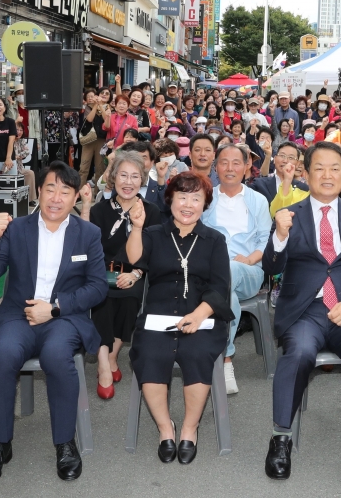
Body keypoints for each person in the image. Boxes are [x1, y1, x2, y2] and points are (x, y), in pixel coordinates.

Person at [0, 162, 108, 485]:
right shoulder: (16, 228)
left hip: (62, 318)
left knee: (56, 357)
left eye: (65, 191)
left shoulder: (88, 233)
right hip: (17, 317)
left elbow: (98, 286)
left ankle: (65, 443)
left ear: (75, 196)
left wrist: (57, 308)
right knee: (3, 356)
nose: (56, 198)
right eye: (50, 188)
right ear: (39, 191)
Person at [262, 142, 341, 486]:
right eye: (319, 168)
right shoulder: (291, 214)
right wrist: (280, 236)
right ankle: (280, 437)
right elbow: (271, 268)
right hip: (306, 309)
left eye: (335, 168)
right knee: (298, 352)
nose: (327, 175)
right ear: (305, 173)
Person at [125, 172, 233, 465]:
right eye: (182, 196)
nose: (188, 204)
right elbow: (135, 260)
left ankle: (189, 427)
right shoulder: (155, 233)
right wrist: (136, 227)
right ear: (170, 199)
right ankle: (165, 428)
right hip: (158, 315)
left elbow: (220, 285)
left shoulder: (214, 240)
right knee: (149, 351)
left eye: (196, 198)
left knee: (197, 351)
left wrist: (198, 315)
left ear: (204, 204)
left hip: (202, 315)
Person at [79, 151, 161, 399]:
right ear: (113, 179)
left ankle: (111, 355)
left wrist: (136, 274)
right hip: (100, 272)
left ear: (142, 180)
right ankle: (105, 363)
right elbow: (86, 245)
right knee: (100, 299)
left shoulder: (152, 210)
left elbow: (153, 250)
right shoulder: (100, 210)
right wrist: (85, 206)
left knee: (129, 300)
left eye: (135, 176)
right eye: (123, 175)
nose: (128, 182)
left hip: (134, 273)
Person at [201, 144, 271, 394]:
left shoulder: (258, 200)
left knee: (229, 271)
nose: (229, 168)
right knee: (225, 290)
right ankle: (226, 358)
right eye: (223, 162)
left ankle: (222, 357)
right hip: (213, 275)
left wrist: (251, 259)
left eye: (236, 162)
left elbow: (265, 238)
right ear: (216, 167)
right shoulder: (205, 198)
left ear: (246, 168)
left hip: (249, 270)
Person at [13, 121, 38, 206]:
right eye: (17, 130)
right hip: (10, 167)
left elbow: (27, 152)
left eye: (21, 130)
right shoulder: (9, 140)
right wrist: (15, 157)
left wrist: (17, 156)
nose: (19, 132)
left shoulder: (21, 140)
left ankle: (30, 199)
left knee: (30, 173)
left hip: (19, 167)